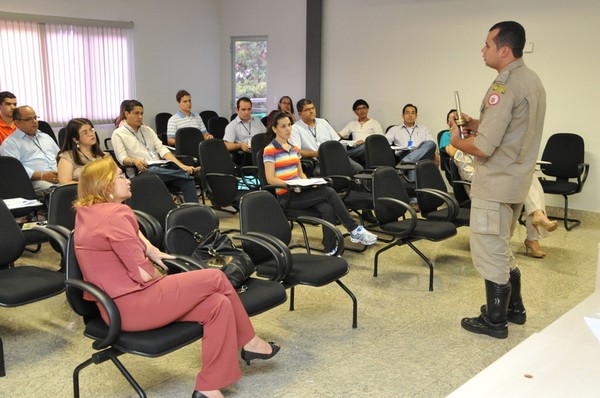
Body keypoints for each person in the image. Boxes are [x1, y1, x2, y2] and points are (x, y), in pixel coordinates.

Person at [73, 156, 279, 398]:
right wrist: (165, 274)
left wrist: (149, 249)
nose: (127, 179)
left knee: (218, 305)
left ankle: (209, 387)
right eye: (120, 176)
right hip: (134, 304)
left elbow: (130, 234)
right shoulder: (117, 214)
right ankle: (250, 341)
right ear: (105, 185)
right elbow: (143, 274)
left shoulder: (88, 212)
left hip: (114, 309)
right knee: (214, 278)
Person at [449, 21, 546, 339]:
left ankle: (495, 321)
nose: (483, 49)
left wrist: (456, 137)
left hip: (496, 183)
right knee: (501, 246)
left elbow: (481, 146)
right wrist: (477, 122)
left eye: (487, 45)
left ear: (504, 50)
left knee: (489, 249)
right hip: (516, 181)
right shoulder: (531, 80)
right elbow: (512, 128)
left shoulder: (503, 87)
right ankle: (513, 309)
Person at [442, 110, 557, 258]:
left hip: (496, 185)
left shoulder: (485, 148)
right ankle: (534, 232)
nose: (474, 135)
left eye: (474, 132)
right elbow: (472, 176)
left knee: (527, 177)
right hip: (480, 190)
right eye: (468, 132)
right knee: (525, 182)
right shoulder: (461, 153)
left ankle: (536, 222)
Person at [264, 111, 378, 255]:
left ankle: (330, 248)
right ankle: (354, 229)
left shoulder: (293, 148)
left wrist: (308, 183)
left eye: (289, 125)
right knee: (329, 192)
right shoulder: (270, 150)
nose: (288, 129)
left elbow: (300, 173)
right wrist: (291, 185)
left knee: (327, 207)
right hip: (286, 196)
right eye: (283, 126)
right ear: (274, 129)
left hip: (301, 192)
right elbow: (270, 179)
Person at [111, 99, 199, 203]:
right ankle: (185, 173)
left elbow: (162, 150)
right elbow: (122, 158)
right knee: (155, 171)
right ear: (126, 114)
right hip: (141, 171)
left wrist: (181, 165)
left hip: (161, 167)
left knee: (188, 181)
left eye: (142, 113)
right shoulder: (118, 134)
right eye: (136, 113)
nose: (140, 117)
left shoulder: (147, 130)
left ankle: (193, 214)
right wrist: (134, 161)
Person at [290, 98, 363, 176]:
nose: (311, 111)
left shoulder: (323, 122)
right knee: (320, 173)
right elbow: (297, 151)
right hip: (318, 161)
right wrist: (319, 153)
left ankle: (349, 188)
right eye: (307, 109)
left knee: (358, 168)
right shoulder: (295, 128)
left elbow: (336, 141)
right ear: (300, 113)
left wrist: (353, 143)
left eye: (313, 108)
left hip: (334, 156)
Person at [0, 105, 60, 195]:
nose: (34, 122)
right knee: (60, 192)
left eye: (35, 118)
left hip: (58, 176)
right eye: (29, 119)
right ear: (17, 123)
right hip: (34, 181)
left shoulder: (45, 136)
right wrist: (42, 175)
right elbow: (14, 170)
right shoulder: (10, 143)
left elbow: (60, 156)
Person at [385, 103, 437, 181]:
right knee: (414, 164)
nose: (410, 115)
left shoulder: (423, 129)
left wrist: (437, 154)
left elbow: (432, 144)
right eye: (407, 113)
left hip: (422, 155)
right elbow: (384, 143)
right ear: (402, 115)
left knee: (431, 144)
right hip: (405, 153)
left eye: (413, 113)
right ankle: (414, 190)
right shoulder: (395, 129)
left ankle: (405, 163)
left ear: (416, 116)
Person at [57, 118, 107, 184]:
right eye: (85, 133)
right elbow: (65, 182)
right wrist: (91, 187)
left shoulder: (103, 155)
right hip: (79, 192)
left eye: (91, 130)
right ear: (75, 139)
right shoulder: (67, 157)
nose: (91, 134)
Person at [337, 99, 384, 166]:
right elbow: (338, 136)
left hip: (369, 149)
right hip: (355, 148)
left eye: (364, 108)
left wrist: (365, 142)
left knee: (365, 146)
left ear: (367, 109)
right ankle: (343, 155)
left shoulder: (375, 123)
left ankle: (342, 156)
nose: (362, 110)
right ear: (355, 111)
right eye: (358, 109)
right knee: (339, 145)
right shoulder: (352, 124)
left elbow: (380, 140)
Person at [223, 97, 266, 166]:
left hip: (262, 151)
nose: (247, 112)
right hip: (247, 155)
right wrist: (240, 145)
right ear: (237, 110)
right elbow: (226, 145)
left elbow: (266, 134)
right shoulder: (232, 125)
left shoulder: (257, 120)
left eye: (249, 109)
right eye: (243, 109)